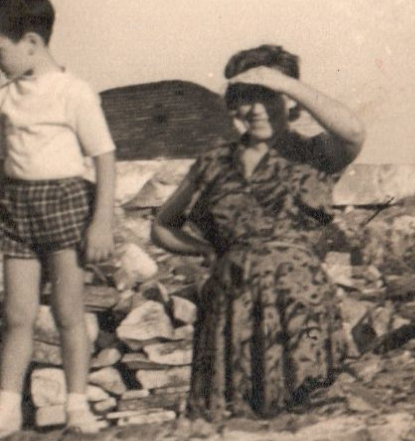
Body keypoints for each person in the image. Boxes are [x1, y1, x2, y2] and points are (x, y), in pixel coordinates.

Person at [151, 44, 364, 420]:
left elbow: (354, 130)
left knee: (307, 415)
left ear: (290, 101)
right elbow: (162, 226)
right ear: (234, 104)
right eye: (248, 98)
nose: (258, 109)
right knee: (229, 425)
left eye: (270, 97)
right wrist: (203, 251)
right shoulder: (215, 162)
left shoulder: (314, 154)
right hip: (230, 310)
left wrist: (281, 81)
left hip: (300, 307)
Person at [0, 0, 117, 437]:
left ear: (31, 43)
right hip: (17, 208)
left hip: (65, 204)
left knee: (69, 312)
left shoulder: (74, 92)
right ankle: (7, 407)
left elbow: (104, 157)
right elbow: (2, 162)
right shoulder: (6, 97)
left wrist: (101, 222)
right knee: (17, 314)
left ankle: (77, 406)